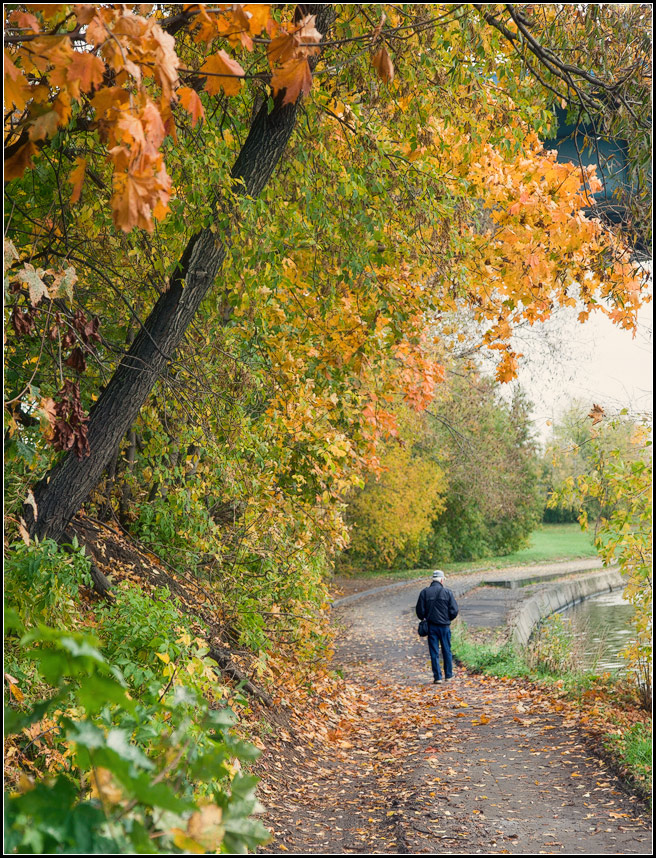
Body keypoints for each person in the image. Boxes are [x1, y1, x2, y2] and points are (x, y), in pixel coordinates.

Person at [416, 569, 459, 684]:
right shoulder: (447, 593)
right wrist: (448, 618)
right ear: (441, 580)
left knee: (434, 652)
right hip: (444, 627)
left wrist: (425, 618)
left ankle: (437, 677)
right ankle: (449, 675)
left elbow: (420, 611)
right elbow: (454, 610)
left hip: (431, 627)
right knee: (446, 650)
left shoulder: (424, 593)